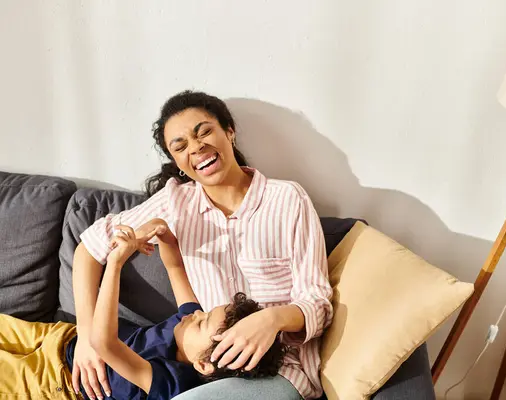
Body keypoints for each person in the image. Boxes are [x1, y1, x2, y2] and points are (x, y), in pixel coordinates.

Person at [72, 90, 333, 400]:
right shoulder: (175, 202)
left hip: (283, 373)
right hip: (212, 373)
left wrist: (271, 319)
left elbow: (318, 300)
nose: (196, 147)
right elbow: (88, 248)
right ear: (178, 162)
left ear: (230, 132)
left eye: (204, 131)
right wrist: (86, 336)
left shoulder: (288, 199)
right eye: (180, 146)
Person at [0, 219, 285, 400]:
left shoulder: (172, 382)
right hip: (63, 337)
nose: (196, 313)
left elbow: (103, 343)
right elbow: (175, 268)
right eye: (205, 311)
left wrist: (115, 263)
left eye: (202, 322)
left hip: (57, 382)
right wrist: (163, 233)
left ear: (202, 364)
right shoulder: (186, 322)